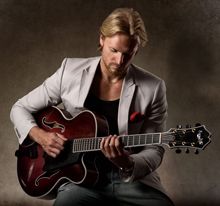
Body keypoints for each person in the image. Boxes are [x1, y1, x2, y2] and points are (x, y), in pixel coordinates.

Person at [10, 8, 174, 206]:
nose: (119, 61)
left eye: (128, 54)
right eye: (114, 51)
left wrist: (128, 163)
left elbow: (155, 148)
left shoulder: (153, 88)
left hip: (130, 180)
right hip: (78, 180)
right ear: (102, 40)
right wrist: (40, 136)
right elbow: (19, 108)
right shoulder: (69, 71)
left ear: (136, 49)